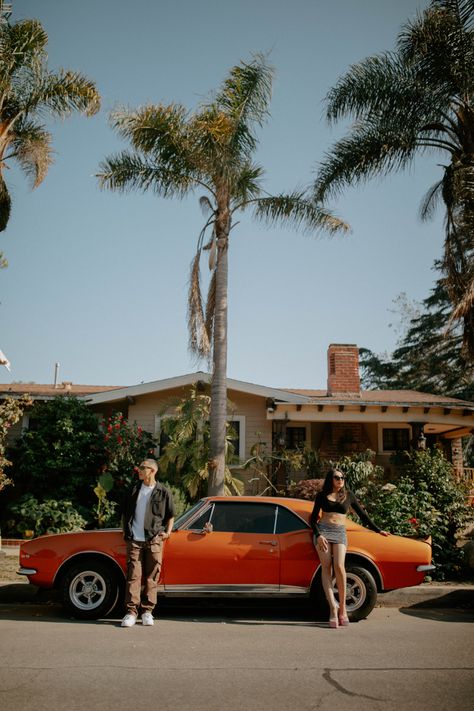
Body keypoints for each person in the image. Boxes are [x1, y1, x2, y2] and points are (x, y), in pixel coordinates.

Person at [310, 468, 388, 629]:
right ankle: (333, 608)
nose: (341, 480)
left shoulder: (348, 495)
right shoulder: (321, 496)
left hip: (339, 533)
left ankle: (343, 609)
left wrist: (378, 529)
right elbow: (313, 518)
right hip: (323, 532)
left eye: (343, 478)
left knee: (339, 566)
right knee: (326, 567)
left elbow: (363, 515)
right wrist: (318, 535)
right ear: (330, 479)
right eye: (337, 477)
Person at [121, 458, 175, 628]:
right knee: (133, 576)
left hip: (154, 540)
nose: (139, 470)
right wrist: (124, 530)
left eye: (143, 468)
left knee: (152, 577)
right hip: (134, 540)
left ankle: (147, 612)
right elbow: (124, 512)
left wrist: (167, 532)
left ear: (152, 471)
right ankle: (131, 612)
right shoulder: (133, 489)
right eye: (140, 467)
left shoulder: (163, 492)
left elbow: (170, 515)